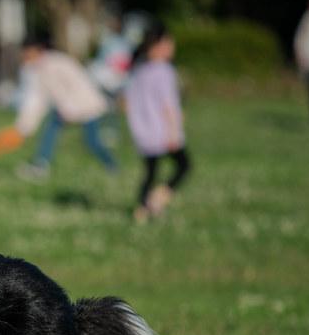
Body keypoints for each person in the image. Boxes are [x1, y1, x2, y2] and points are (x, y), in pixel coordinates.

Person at [13, 34, 116, 181]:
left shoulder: (59, 62)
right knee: (50, 130)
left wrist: (70, 109)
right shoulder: (36, 70)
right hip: (66, 110)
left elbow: (79, 85)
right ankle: (41, 164)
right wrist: (25, 126)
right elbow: (36, 100)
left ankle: (112, 166)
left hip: (87, 107)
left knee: (92, 142)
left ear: (37, 50)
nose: (25, 55)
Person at [124, 23, 191, 223]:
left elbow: (129, 102)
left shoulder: (139, 71)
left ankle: (142, 210)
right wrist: (174, 130)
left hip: (143, 130)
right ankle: (158, 198)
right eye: (169, 43)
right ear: (159, 45)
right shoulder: (164, 70)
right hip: (163, 131)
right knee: (184, 165)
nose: (172, 47)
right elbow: (168, 104)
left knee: (150, 171)